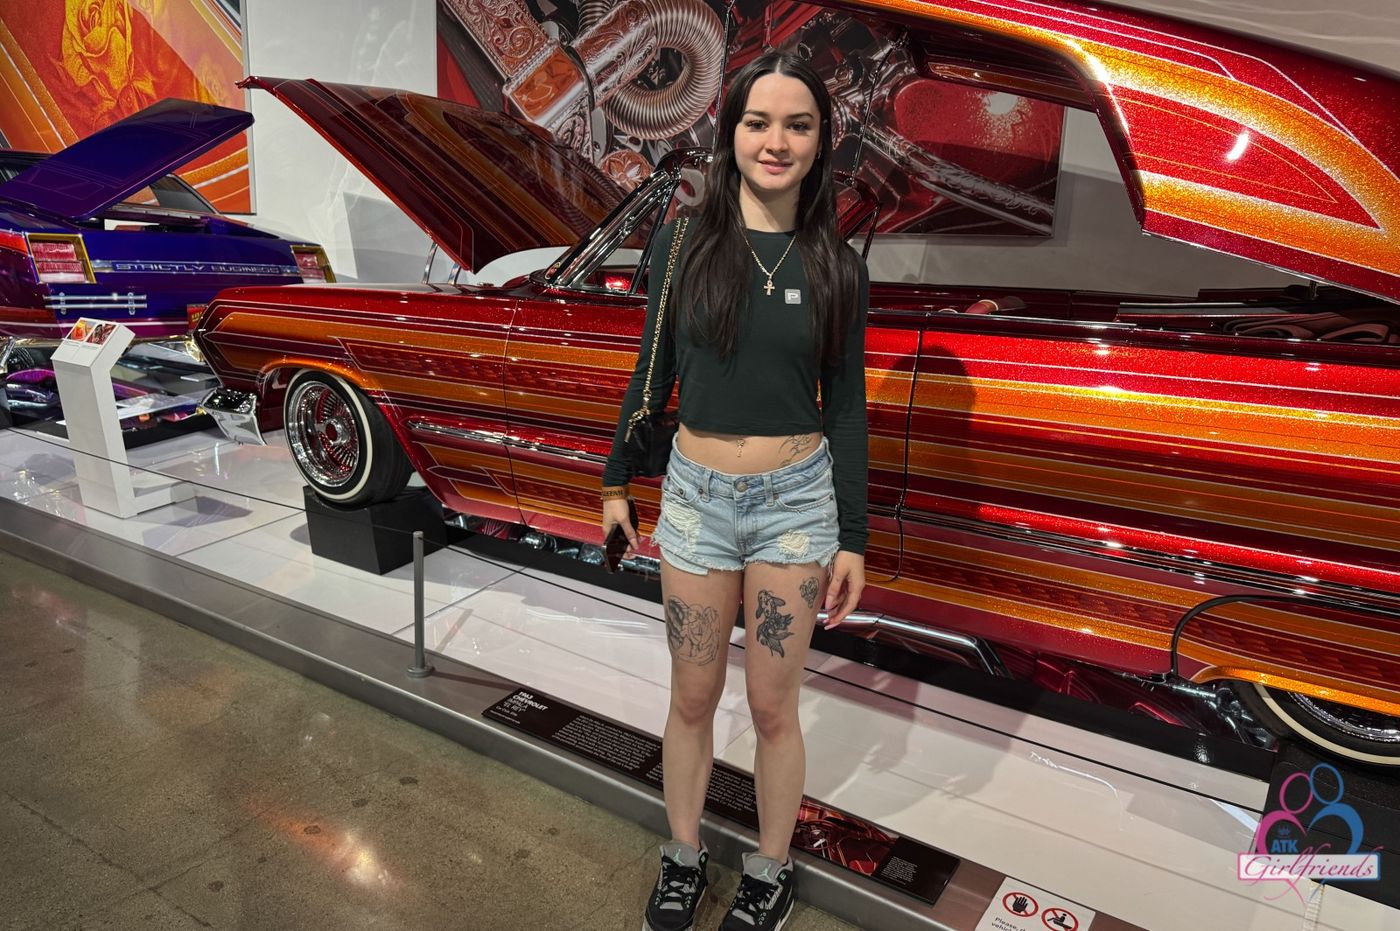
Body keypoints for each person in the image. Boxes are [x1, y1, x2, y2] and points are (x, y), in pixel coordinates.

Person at [599, 51, 870, 931]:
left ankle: (771, 866)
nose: (776, 141)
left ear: (821, 140)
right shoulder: (683, 242)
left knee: (772, 704)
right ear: (731, 133)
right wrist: (616, 477)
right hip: (696, 500)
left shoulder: (838, 265)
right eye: (758, 122)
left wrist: (854, 535)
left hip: (796, 505)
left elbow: (847, 408)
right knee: (691, 695)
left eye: (797, 124)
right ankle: (683, 854)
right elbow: (651, 371)